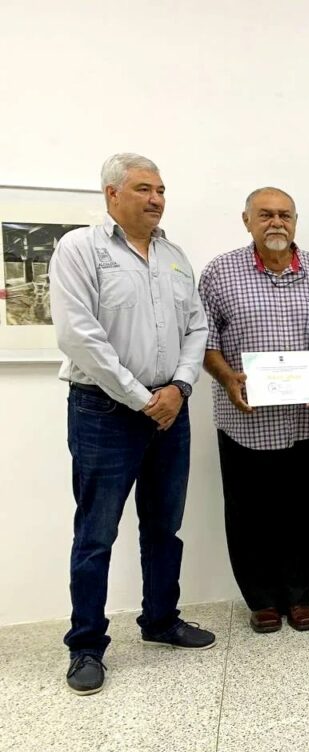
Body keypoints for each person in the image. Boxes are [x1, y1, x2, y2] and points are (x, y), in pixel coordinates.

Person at [49, 153, 213, 695]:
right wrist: (145, 399)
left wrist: (179, 388)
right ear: (111, 194)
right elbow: (79, 336)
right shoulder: (80, 249)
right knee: (96, 534)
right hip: (104, 412)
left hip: (170, 408)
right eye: (144, 188)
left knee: (164, 526)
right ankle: (86, 645)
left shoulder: (174, 255)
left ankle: (161, 620)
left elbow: (197, 327)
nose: (157, 198)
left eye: (161, 189)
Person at [199, 187, 309, 634]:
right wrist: (227, 377)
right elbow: (204, 340)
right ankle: (261, 601)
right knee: (248, 511)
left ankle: (299, 597)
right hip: (245, 419)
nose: (276, 222)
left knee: (300, 509)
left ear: (295, 221)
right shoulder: (219, 272)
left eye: (285, 215)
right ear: (247, 221)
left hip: (304, 417)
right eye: (265, 215)